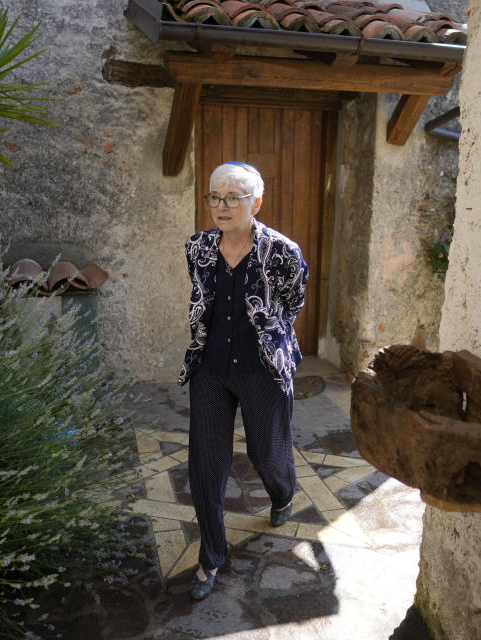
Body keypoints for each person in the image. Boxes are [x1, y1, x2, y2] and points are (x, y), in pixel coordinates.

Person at [178, 161, 309, 600]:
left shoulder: (282, 251)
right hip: (211, 367)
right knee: (206, 463)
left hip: (262, 368)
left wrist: (268, 338)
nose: (221, 205)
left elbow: (292, 302)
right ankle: (211, 556)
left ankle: (282, 493)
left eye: (233, 197)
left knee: (266, 453)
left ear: (256, 201)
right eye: (215, 196)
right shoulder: (197, 248)